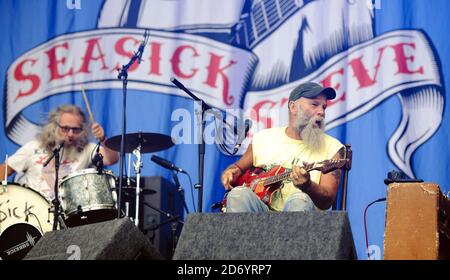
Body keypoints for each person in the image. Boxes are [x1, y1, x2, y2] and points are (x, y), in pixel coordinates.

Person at [221, 82, 346, 212]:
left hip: (306, 225)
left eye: (324, 107)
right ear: (293, 107)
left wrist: (308, 186)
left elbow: (327, 201)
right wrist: (230, 172)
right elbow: (238, 168)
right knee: (238, 194)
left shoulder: (333, 148)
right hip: (258, 218)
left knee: (299, 200)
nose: (321, 112)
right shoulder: (262, 138)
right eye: (314, 104)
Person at [0, 104, 119, 200]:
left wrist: (103, 139)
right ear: (54, 126)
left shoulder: (87, 148)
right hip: (33, 211)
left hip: (69, 214)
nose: (71, 134)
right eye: (65, 128)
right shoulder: (33, 147)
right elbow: (5, 170)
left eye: (76, 129)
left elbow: (112, 159)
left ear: (83, 130)